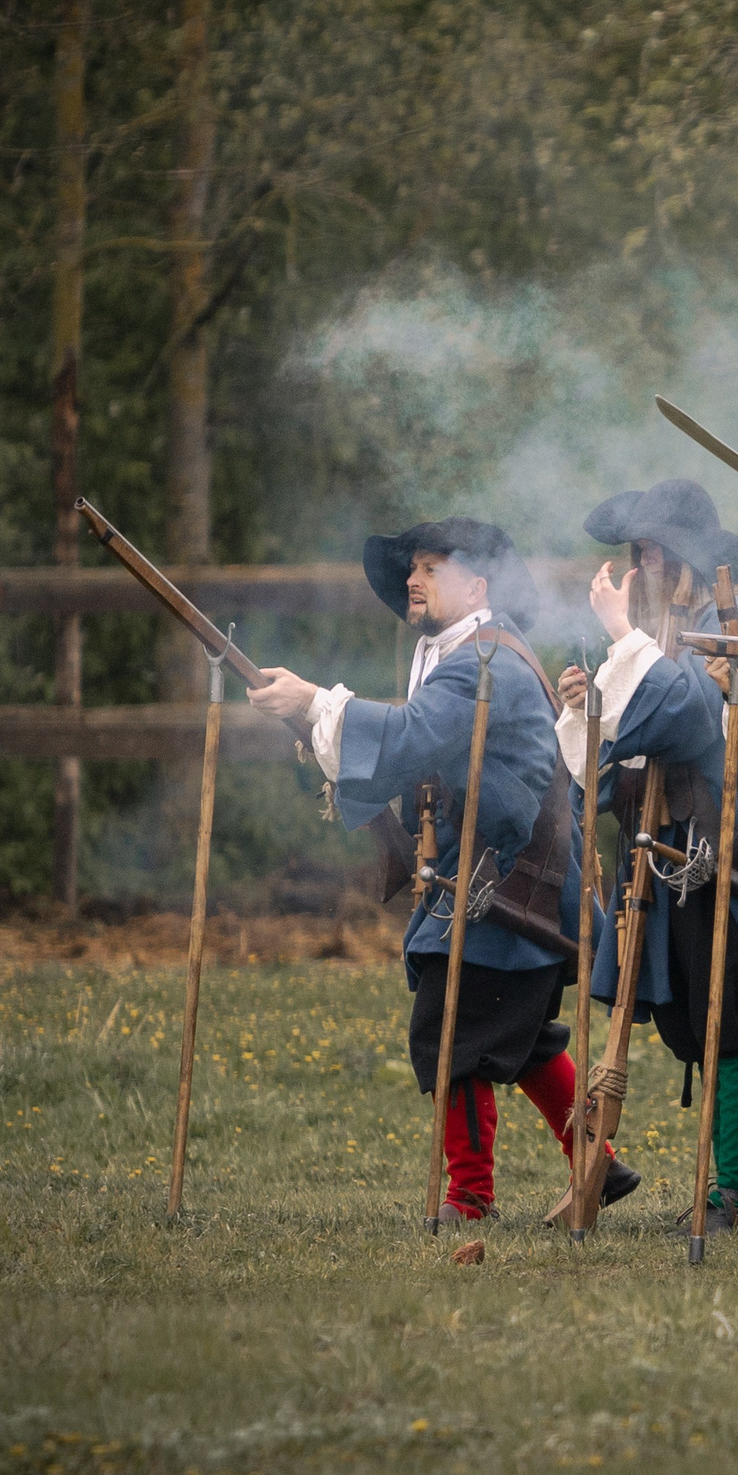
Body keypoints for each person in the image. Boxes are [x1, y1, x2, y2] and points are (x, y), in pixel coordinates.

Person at [250, 517, 629, 1224]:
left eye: (431, 568)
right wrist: (319, 727)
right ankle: (597, 1162)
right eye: (413, 568)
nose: (413, 580)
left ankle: (470, 1197)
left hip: (511, 882)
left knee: (447, 1032)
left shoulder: (482, 663)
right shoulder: (460, 655)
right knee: (519, 1037)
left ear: (478, 586)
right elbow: (411, 755)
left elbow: (409, 737)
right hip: (492, 875)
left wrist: (313, 701)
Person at [560, 479, 738, 1235]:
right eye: (639, 546)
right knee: (696, 1017)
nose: (643, 558)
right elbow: (609, 772)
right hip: (663, 854)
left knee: (736, 1020)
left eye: (655, 545)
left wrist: (621, 640)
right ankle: (724, 1193)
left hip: (727, 854)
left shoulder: (730, 619)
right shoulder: (656, 631)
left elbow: (689, 719)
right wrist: (587, 708)